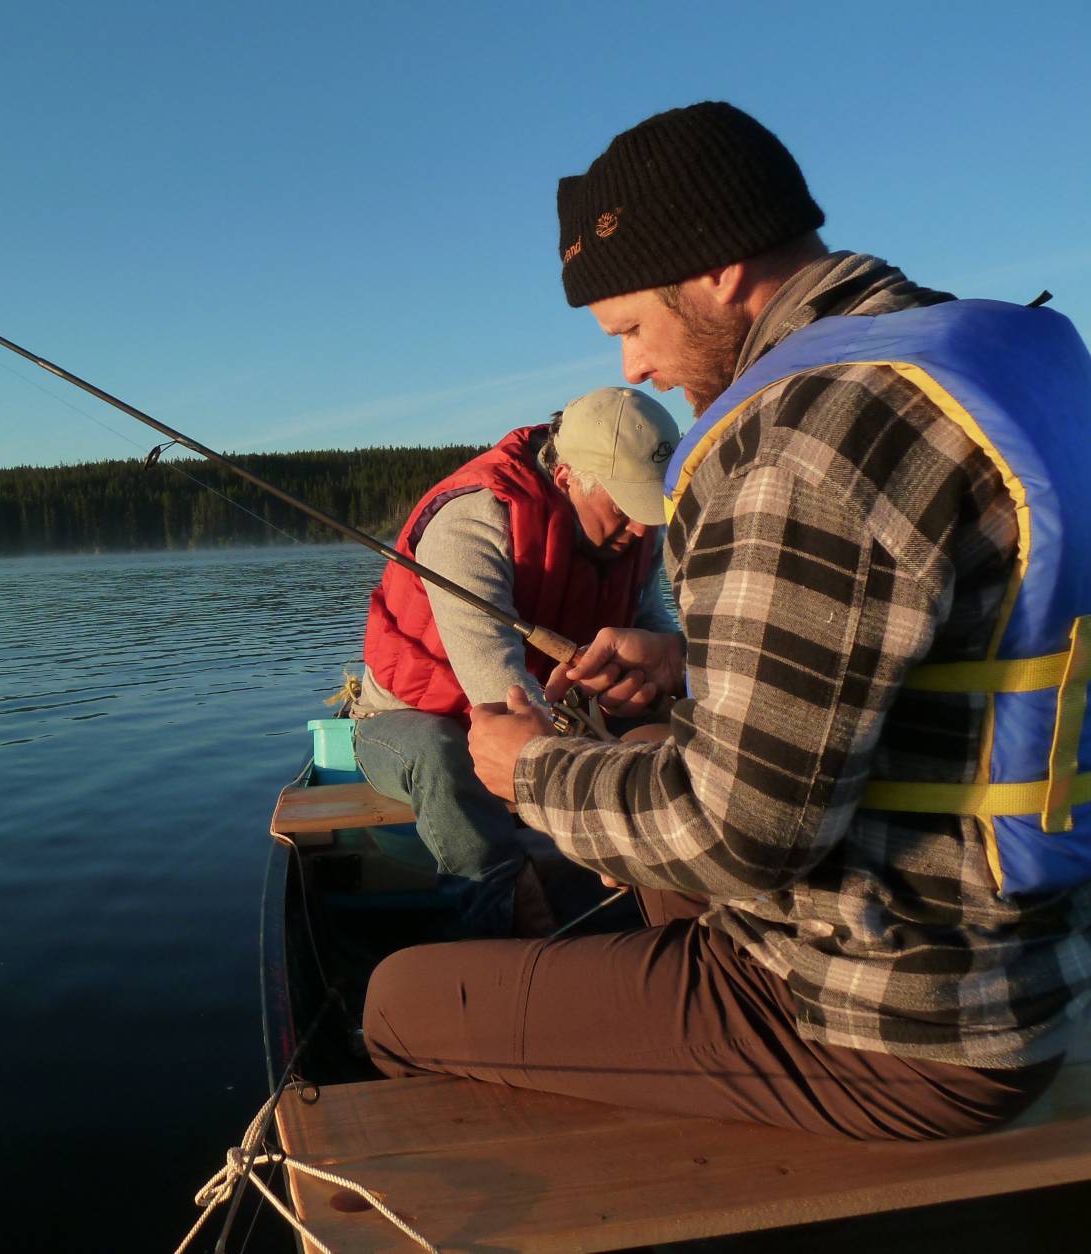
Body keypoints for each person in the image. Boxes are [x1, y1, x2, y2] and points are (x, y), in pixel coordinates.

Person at [362, 101, 1091, 1140]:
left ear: (713, 267)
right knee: (654, 766)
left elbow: (736, 834)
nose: (632, 368)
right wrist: (684, 661)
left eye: (628, 328)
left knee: (399, 999)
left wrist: (530, 770)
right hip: (1033, 968)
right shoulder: (986, 371)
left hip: (886, 1025)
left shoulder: (804, 432)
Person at [351, 385, 681, 937]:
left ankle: (671, 887)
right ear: (567, 477)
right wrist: (596, 819)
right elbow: (500, 695)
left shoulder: (633, 538)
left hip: (551, 710)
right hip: (409, 722)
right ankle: (499, 904)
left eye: (654, 506)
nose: (644, 529)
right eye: (626, 506)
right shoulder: (470, 522)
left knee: (665, 728)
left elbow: (652, 632)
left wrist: (655, 684)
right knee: (442, 756)